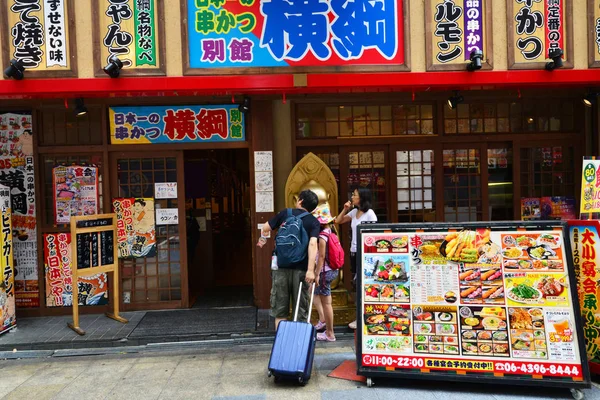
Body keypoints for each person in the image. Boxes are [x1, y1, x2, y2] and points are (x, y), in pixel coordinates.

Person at [257, 190, 320, 330]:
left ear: (300, 201)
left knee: (280, 311)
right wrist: (311, 270)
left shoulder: (285, 213)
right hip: (301, 270)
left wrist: (264, 237)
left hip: (280, 268)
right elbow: (312, 244)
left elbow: (266, 227)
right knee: (300, 311)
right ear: (313, 208)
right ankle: (298, 347)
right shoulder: (314, 222)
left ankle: (281, 344)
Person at [335, 187, 377, 330]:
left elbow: (374, 236)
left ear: (362, 198)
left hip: (365, 253)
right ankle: (359, 316)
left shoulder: (370, 214)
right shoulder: (354, 212)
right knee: (357, 284)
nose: (352, 197)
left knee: (364, 284)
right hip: (354, 252)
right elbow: (338, 221)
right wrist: (345, 209)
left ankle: (363, 317)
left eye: (355, 195)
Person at [311, 205, 339, 342]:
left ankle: (330, 333)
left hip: (324, 272)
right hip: (332, 270)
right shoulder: (332, 231)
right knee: (313, 291)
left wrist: (316, 274)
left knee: (327, 303)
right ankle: (323, 320)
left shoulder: (322, 237)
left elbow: (321, 257)